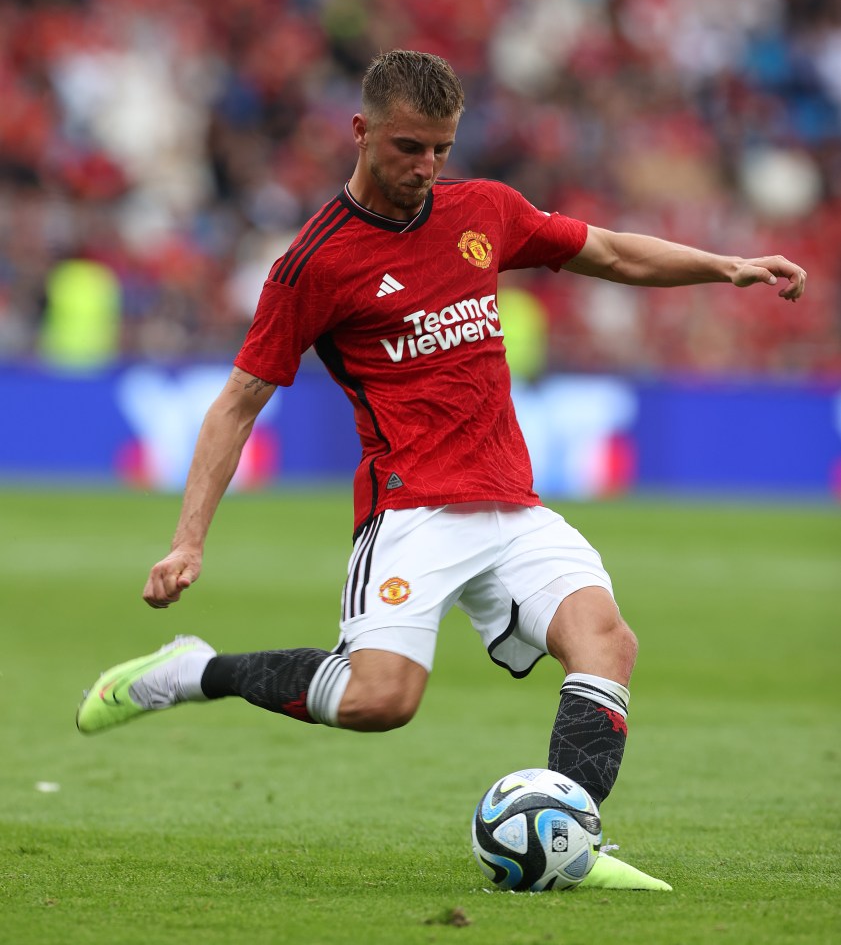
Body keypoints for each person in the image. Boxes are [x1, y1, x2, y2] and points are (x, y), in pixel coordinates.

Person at [77, 50, 807, 891]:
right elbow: (237, 402)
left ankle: (573, 838)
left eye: (440, 150)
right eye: (407, 148)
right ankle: (191, 669)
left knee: (605, 640)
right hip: (411, 510)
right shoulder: (315, 261)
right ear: (361, 132)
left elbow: (606, 251)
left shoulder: (483, 211)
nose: (425, 168)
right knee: (380, 700)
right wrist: (187, 542)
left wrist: (726, 266)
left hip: (511, 502)